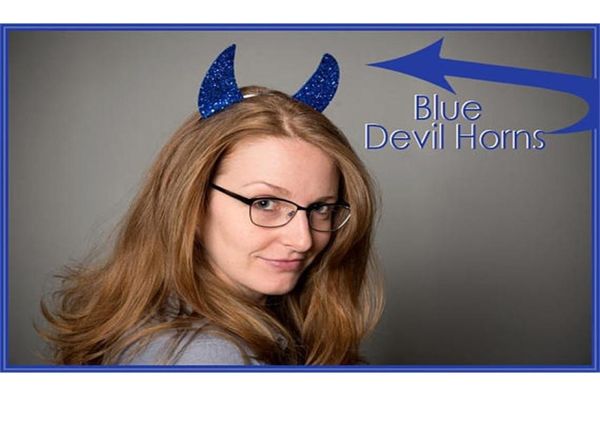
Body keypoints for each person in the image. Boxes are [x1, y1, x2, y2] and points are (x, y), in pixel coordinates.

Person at [38, 45, 384, 366]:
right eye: (265, 203)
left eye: (321, 208)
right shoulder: (208, 357)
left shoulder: (238, 328)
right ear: (191, 201)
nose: (303, 239)